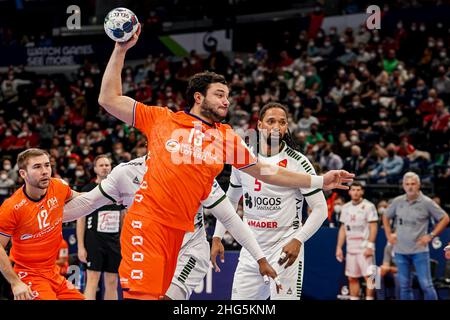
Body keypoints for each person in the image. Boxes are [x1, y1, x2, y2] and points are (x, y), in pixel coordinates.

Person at [97, 26, 353, 299]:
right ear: (198, 97)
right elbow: (108, 99)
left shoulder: (227, 137)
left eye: (227, 96)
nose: (226, 101)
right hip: (148, 223)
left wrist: (319, 181)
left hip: (180, 232)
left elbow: (266, 172)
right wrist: (120, 49)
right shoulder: (162, 118)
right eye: (219, 94)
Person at [64, 156, 280, 300]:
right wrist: (39, 215)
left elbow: (231, 218)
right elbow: (87, 203)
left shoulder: (196, 171)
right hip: (152, 255)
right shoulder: (126, 173)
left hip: (190, 251)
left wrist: (260, 258)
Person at [211, 102, 328, 300]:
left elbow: (320, 209)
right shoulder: (243, 158)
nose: (276, 127)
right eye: (271, 121)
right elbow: (231, 199)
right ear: (259, 125)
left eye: (282, 122)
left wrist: (298, 240)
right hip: (252, 249)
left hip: (284, 248)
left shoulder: (298, 162)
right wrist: (217, 237)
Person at [0, 148, 85, 300]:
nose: (45, 171)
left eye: (47, 165)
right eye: (37, 167)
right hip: (29, 274)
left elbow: (82, 200)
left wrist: (109, 195)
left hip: (53, 272)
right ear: (22, 174)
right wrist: (15, 283)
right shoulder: (11, 207)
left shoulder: (58, 186)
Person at [382, 172, 450, 300]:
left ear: (419, 185)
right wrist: (388, 234)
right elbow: (385, 216)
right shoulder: (398, 201)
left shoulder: (426, 202)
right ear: (403, 186)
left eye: (413, 184)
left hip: (419, 251)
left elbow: (445, 218)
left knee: (426, 285)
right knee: (404, 287)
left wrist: (431, 235)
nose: (410, 187)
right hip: (400, 251)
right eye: (407, 184)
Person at [76, 155, 124, 300]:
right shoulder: (88, 189)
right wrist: (80, 246)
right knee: (92, 279)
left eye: (107, 165)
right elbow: (80, 219)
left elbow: (124, 217)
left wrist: (122, 241)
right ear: (95, 169)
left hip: (114, 243)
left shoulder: (119, 190)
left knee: (112, 281)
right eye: (101, 165)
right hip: (94, 242)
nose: (105, 167)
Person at [335, 182, 378, 300]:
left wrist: (370, 246)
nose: (356, 192)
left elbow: (373, 227)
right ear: (349, 192)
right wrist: (339, 247)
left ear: (362, 192)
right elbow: (343, 229)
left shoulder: (369, 206)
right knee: (352, 278)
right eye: (353, 190)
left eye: (358, 190)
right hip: (351, 249)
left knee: (369, 277)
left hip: (364, 248)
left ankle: (370, 298)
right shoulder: (345, 207)